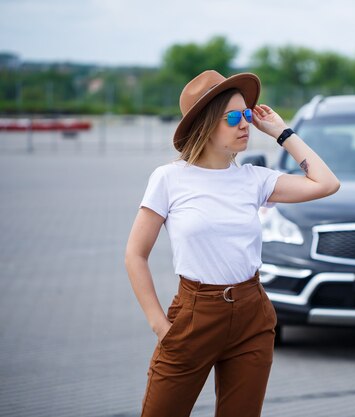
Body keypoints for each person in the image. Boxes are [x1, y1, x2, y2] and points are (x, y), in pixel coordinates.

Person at [124, 69, 340, 417]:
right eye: (233, 117)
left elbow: (326, 183)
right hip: (195, 316)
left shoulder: (254, 180)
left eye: (247, 115)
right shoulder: (169, 179)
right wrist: (159, 325)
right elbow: (135, 254)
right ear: (206, 124)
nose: (245, 125)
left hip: (251, 316)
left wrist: (282, 133)